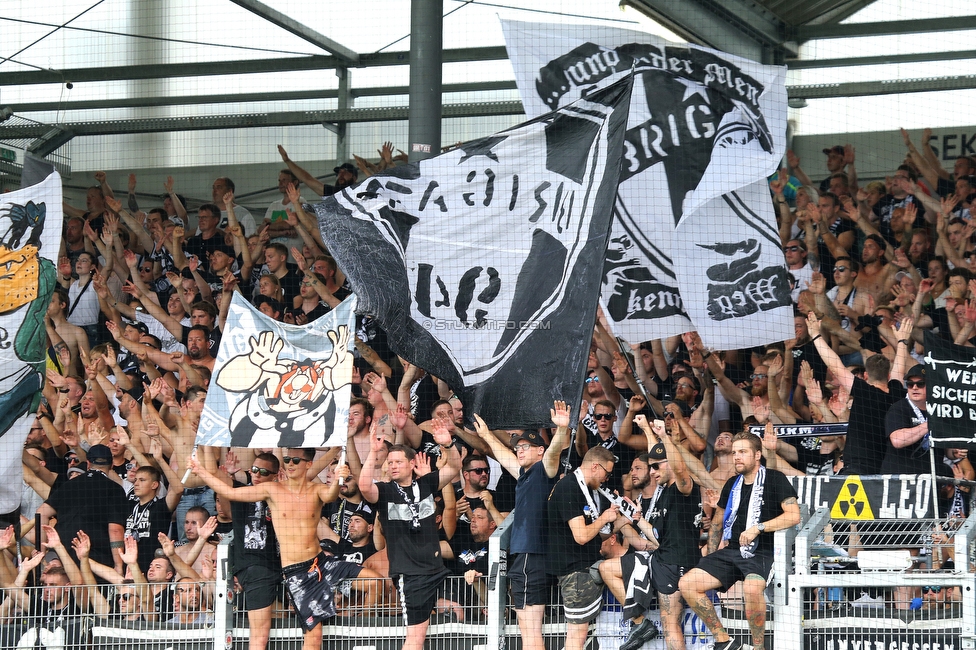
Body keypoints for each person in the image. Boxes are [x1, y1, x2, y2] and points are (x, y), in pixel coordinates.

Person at [190, 448, 379, 650]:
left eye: (296, 460)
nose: (289, 463)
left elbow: (331, 495)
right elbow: (230, 492)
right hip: (297, 572)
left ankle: (355, 620)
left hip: (322, 562)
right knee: (314, 638)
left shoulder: (315, 489)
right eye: (287, 459)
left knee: (375, 581)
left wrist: (337, 478)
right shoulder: (272, 489)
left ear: (307, 464)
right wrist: (201, 471)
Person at [679, 433, 800, 650]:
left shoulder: (774, 478)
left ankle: (758, 647)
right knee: (687, 583)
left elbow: (793, 515)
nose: (736, 457)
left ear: (757, 455)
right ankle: (723, 641)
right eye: (734, 452)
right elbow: (717, 523)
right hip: (732, 549)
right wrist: (710, 555)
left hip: (764, 550)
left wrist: (758, 528)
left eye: (742, 452)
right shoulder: (731, 484)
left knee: (752, 589)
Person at [473, 402, 568, 650]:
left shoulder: (544, 469)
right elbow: (505, 457)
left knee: (531, 629)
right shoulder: (525, 474)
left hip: (531, 555)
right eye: (519, 447)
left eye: (526, 447)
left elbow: (554, 452)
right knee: (527, 628)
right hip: (525, 557)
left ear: (540, 451)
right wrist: (485, 435)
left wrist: (560, 430)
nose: (520, 450)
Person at [360, 419, 461, 650]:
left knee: (447, 624)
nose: (393, 466)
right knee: (415, 637)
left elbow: (454, 467)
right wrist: (372, 453)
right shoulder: (385, 492)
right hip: (411, 575)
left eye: (398, 462)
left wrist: (448, 445)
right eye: (389, 462)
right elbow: (365, 487)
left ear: (411, 464)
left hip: (437, 570)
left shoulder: (425, 484)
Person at [547, 446, 620, 650]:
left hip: (580, 571)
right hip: (575, 572)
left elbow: (594, 534)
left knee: (577, 637)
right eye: (607, 473)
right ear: (595, 467)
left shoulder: (584, 489)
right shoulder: (570, 487)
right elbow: (581, 536)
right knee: (576, 640)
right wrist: (605, 517)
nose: (607, 479)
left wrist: (619, 521)